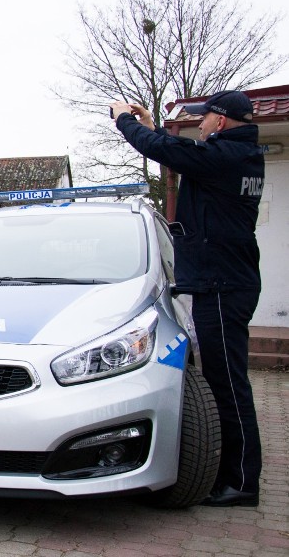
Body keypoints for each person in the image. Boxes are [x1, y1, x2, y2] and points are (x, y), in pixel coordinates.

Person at [111, 90, 264, 507]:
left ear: (223, 119)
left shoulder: (227, 157)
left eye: (207, 117)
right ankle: (236, 476)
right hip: (226, 281)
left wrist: (125, 121)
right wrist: (149, 127)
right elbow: (174, 150)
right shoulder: (235, 156)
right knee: (226, 381)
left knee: (228, 385)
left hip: (221, 284)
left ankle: (241, 482)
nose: (202, 123)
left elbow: (167, 150)